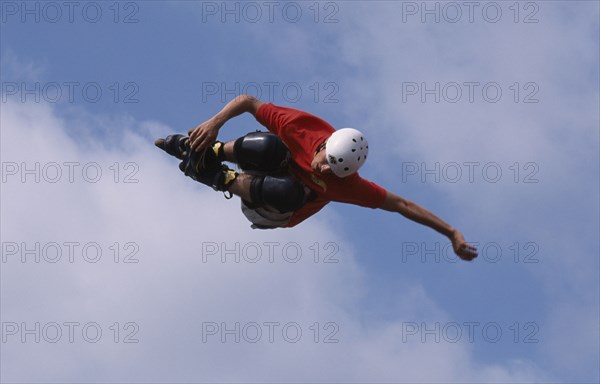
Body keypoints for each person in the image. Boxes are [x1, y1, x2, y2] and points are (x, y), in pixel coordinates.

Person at [155, 94, 478, 261]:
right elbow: (248, 102)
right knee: (268, 145)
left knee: (294, 193)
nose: (323, 170)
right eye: (326, 162)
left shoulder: (348, 185)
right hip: (266, 167)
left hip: (271, 208)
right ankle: (210, 152)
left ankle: (220, 179)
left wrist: (452, 233)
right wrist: (215, 122)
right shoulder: (302, 128)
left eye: (333, 171)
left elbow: (402, 204)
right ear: (324, 144)